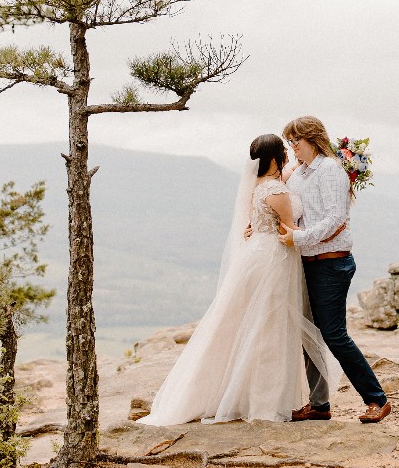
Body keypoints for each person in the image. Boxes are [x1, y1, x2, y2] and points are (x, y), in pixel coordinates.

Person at [139, 134, 340, 425]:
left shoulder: (259, 185)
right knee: (271, 327)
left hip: (258, 254)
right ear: (275, 157)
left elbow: (271, 201)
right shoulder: (276, 190)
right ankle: (266, 402)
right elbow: (290, 231)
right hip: (276, 259)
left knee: (257, 325)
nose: (288, 154)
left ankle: (251, 396)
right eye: (284, 151)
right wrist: (330, 235)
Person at [281, 115, 391, 424]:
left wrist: (299, 238)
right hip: (307, 262)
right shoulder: (300, 174)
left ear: (313, 138)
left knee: (333, 334)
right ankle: (319, 405)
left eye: (296, 140)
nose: (293, 146)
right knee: (309, 334)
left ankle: (377, 399)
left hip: (332, 263)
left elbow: (335, 218)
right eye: (290, 141)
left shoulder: (330, 170)